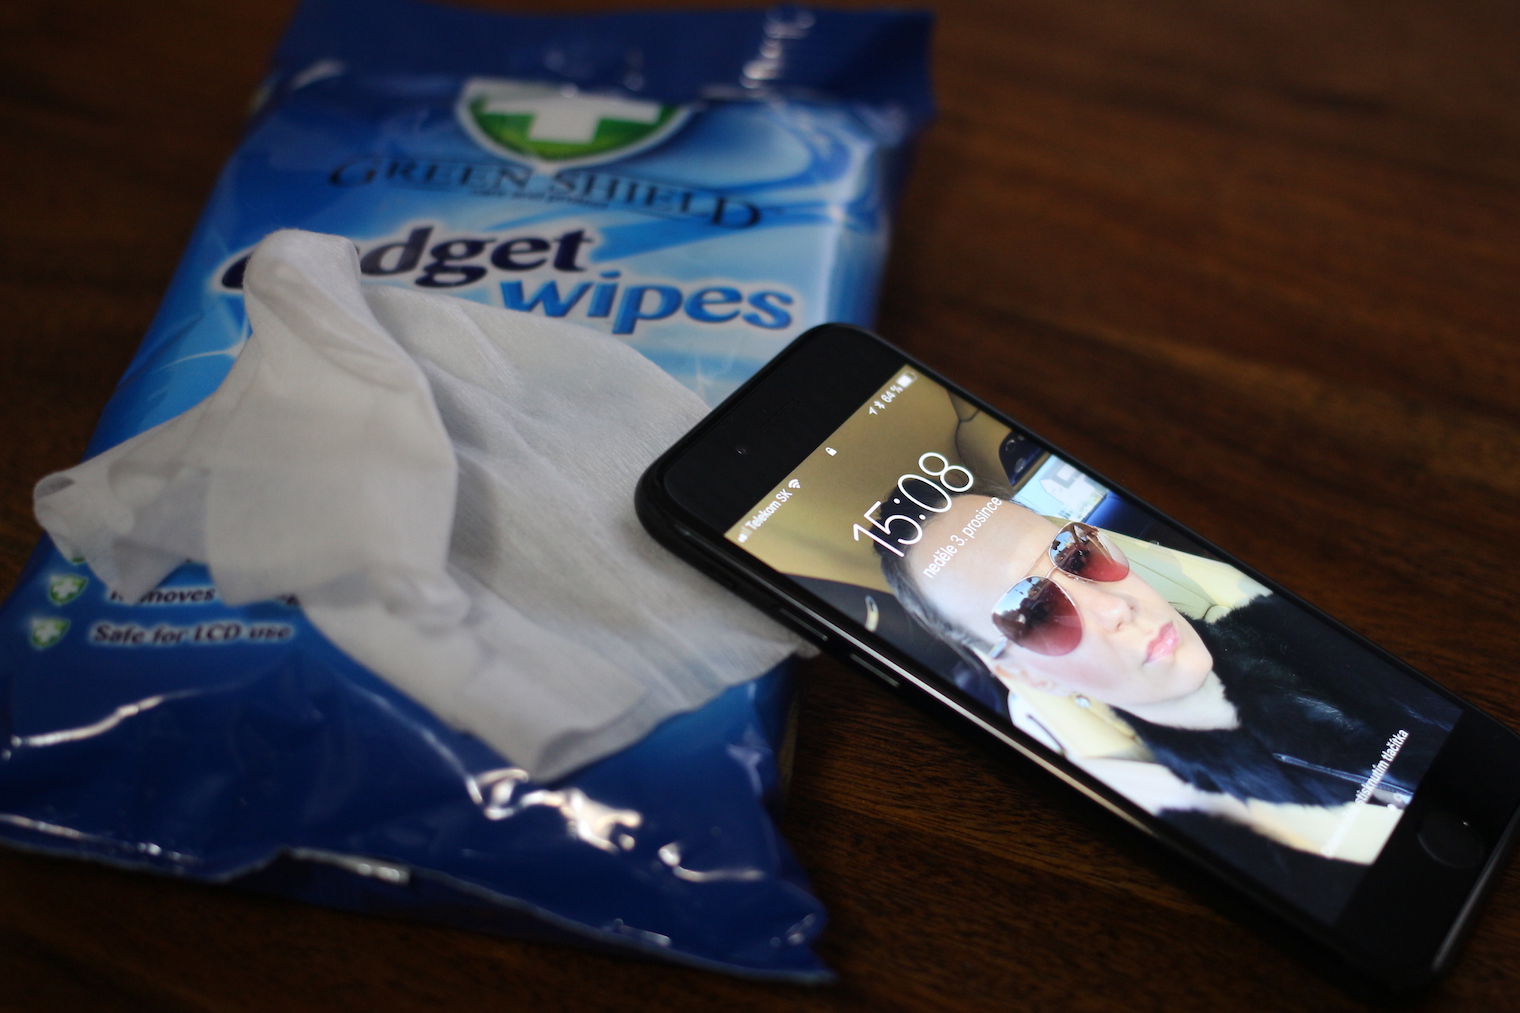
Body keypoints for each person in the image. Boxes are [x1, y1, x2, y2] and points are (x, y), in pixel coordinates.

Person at [875, 493, 1457, 913]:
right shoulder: (1187, 829)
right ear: (1024, 675)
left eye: (1075, 554)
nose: (1114, 608)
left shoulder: (1308, 624)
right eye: (1035, 612)